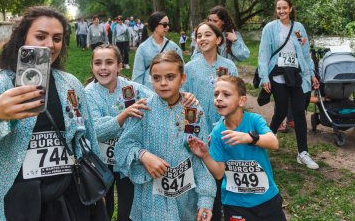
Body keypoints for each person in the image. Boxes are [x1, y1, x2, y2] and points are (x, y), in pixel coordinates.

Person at [0, 6, 108, 220]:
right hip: (15, 202)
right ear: (22, 38)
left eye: (57, 38)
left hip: (68, 198)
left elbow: (88, 138)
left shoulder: (70, 84)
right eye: (40, 36)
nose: (50, 44)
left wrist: (95, 183)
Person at [115, 51, 216, 221]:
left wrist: (206, 199)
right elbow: (123, 147)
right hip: (151, 200)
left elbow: (200, 158)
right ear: (150, 79)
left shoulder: (194, 111)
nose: (163, 83)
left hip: (185, 202)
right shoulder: (143, 109)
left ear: (182, 78)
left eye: (170, 77)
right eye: (157, 78)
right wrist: (143, 155)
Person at [188, 76, 286, 221]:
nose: (219, 98)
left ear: (242, 100)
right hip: (235, 204)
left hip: (266, 198)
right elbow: (219, 173)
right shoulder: (217, 133)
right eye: (216, 94)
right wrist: (205, 156)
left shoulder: (254, 120)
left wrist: (250, 138)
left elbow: (273, 142)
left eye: (226, 94)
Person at [84, 44, 154, 220]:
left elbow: (157, 100)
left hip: (127, 160)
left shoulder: (132, 88)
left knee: (128, 208)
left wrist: (183, 97)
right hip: (99, 162)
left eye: (109, 62)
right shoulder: (87, 94)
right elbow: (97, 130)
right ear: (92, 66)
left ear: (119, 65)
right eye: (98, 63)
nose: (103, 68)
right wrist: (123, 116)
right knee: (102, 210)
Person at [257, 0, 320, 169]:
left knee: (300, 111)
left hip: (297, 75)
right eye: (279, 8)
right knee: (281, 110)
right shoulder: (270, 28)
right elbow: (263, 53)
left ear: (291, 8)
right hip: (277, 74)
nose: (282, 11)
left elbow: (306, 52)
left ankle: (303, 153)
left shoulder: (299, 28)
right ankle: (265, 142)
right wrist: (264, 77)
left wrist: (312, 74)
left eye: (285, 8)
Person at [185, 22, 238, 221]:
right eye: (199, 36)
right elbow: (184, 103)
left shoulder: (228, 67)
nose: (203, 39)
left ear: (218, 39)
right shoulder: (189, 68)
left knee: (224, 180)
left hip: (223, 133)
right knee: (203, 183)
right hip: (198, 135)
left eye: (208, 35)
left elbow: (236, 100)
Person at [132, 11, 183, 90]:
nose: (168, 27)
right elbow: (137, 76)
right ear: (155, 25)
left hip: (171, 92)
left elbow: (182, 71)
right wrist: (138, 96)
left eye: (168, 25)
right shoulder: (142, 48)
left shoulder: (174, 47)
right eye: (165, 25)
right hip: (149, 93)